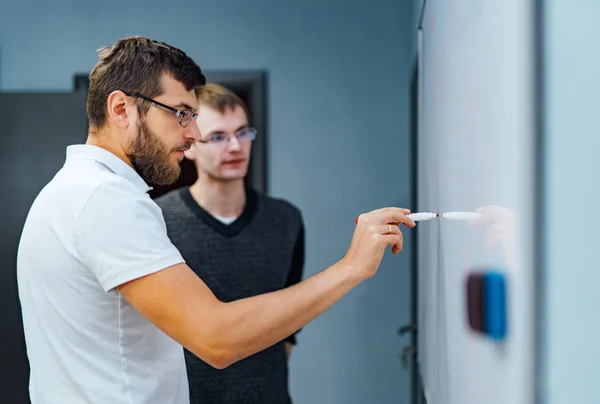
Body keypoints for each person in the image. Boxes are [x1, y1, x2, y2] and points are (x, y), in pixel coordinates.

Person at [16, 35, 415, 404]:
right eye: (182, 114)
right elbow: (216, 338)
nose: (194, 133)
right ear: (121, 108)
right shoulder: (106, 201)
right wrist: (352, 267)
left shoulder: (72, 192)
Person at [154, 83, 305, 404]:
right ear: (190, 145)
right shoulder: (157, 220)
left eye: (242, 133)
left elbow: (289, 323)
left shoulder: (285, 220)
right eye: (219, 137)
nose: (236, 147)